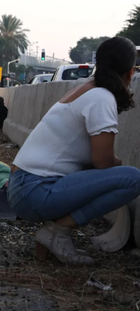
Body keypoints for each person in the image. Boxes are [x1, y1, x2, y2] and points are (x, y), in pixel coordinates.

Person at [7, 37, 140, 265]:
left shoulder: (86, 89)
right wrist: (118, 163)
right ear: (131, 72)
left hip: (22, 186)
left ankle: (56, 234)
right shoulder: (102, 97)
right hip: (34, 191)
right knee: (133, 179)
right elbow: (102, 162)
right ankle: (58, 232)